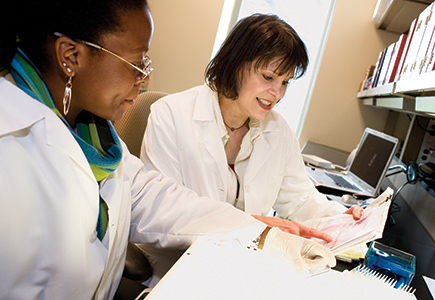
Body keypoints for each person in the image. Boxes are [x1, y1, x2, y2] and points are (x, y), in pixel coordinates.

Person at [0, 2, 337, 299]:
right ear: (71, 56)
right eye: (134, 64)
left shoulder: (98, 139)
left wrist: (262, 233)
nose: (143, 78)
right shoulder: (10, 145)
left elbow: (160, 200)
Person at [140, 14, 363, 235]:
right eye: (268, 77)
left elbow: (301, 200)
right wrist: (254, 223)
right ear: (234, 64)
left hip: (242, 257)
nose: (277, 93)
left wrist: (342, 218)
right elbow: (163, 211)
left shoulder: (278, 131)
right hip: (178, 259)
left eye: (285, 82)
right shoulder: (171, 114)